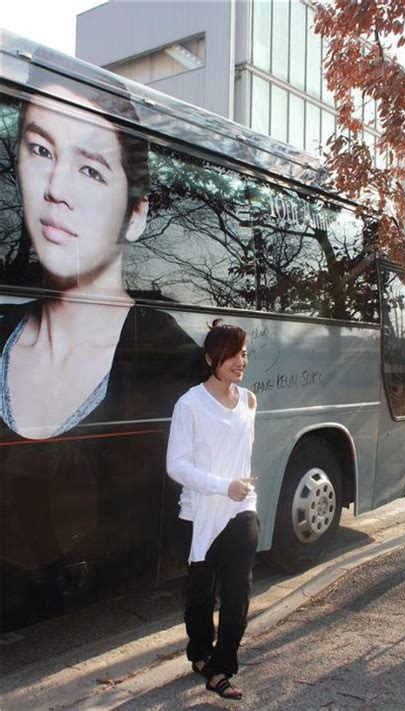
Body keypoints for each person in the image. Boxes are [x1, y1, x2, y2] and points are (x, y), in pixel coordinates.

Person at [0, 51, 202, 627]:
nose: (56, 188)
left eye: (90, 170)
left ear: (135, 215)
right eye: (41, 150)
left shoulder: (173, 365)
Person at [167, 319, 258, 701]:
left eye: (244, 353)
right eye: (232, 354)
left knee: (238, 594)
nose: (240, 361)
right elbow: (176, 465)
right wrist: (224, 485)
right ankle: (201, 654)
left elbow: (241, 454)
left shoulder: (249, 400)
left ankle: (221, 669)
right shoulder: (189, 404)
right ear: (210, 359)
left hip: (241, 510)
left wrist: (241, 489)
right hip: (201, 514)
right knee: (200, 596)